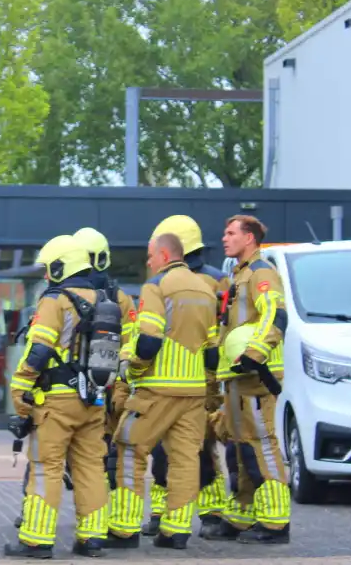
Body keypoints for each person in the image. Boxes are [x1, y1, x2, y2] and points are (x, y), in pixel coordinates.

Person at [4, 235, 124, 559]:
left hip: (56, 401)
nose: (46, 275)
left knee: (46, 467)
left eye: (48, 268)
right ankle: (93, 539)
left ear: (61, 266)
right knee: (90, 469)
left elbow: (39, 348)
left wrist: (20, 385)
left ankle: (37, 540)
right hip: (94, 399)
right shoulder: (104, 300)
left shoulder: (55, 300)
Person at [106, 233, 218, 550]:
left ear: (165, 255)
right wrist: (209, 388)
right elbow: (212, 350)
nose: (148, 262)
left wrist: (133, 368)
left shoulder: (156, 287)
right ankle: (176, 531)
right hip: (193, 392)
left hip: (156, 390)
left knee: (129, 449)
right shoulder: (206, 289)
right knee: (185, 460)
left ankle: (124, 530)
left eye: (150, 256)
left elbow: (149, 340)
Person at [142, 215, 228, 538]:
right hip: (196, 380)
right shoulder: (214, 281)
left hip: (182, 380)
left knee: (190, 451)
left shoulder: (197, 282)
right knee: (179, 452)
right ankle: (177, 514)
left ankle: (205, 511)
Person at [209, 214, 290, 545]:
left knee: (261, 445)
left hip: (255, 375)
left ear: (250, 239)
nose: (225, 238)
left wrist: (255, 353)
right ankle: (242, 516)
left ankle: (275, 523)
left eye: (231, 233)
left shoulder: (261, 273)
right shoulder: (238, 275)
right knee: (240, 447)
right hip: (237, 376)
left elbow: (275, 313)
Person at [71, 227, 137, 491]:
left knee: (52, 445)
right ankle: (102, 508)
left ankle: (31, 508)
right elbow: (131, 342)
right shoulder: (119, 298)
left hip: (72, 381)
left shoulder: (65, 294)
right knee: (107, 448)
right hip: (107, 382)